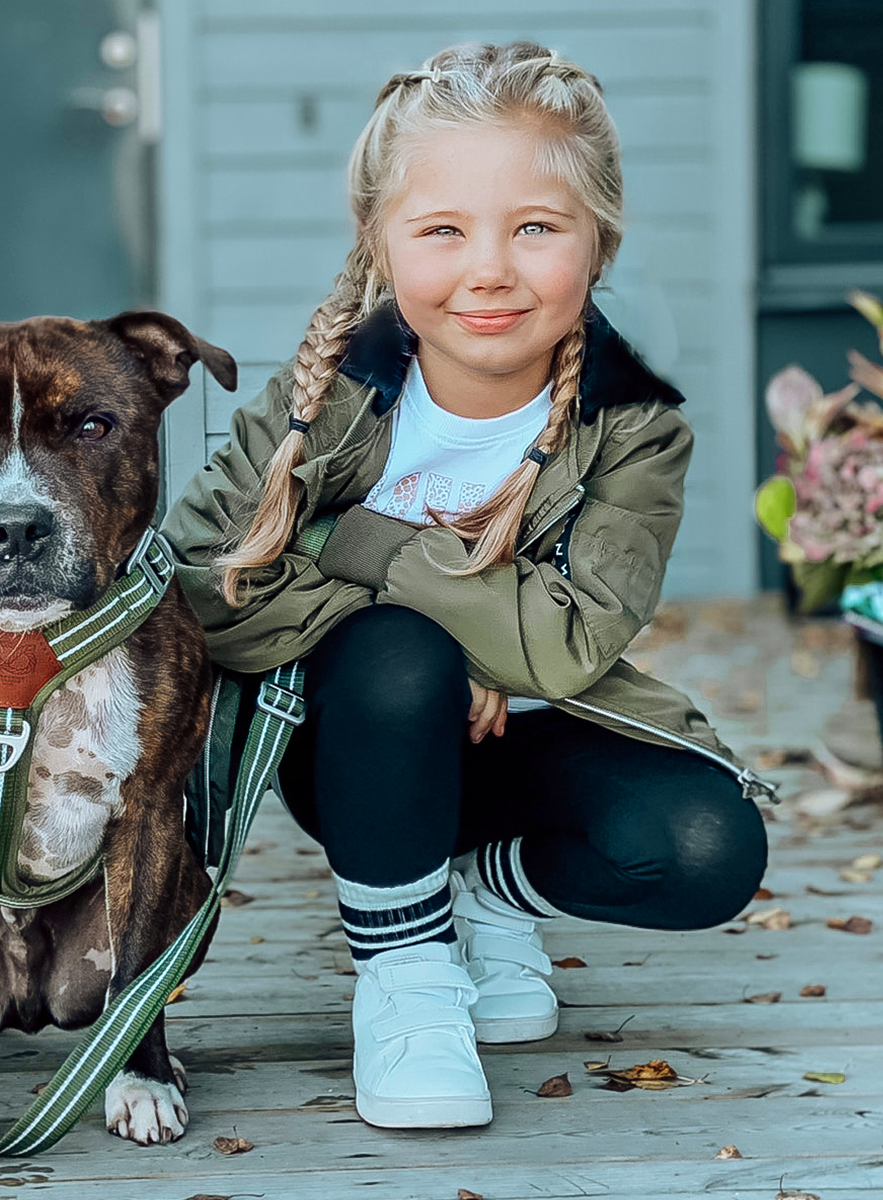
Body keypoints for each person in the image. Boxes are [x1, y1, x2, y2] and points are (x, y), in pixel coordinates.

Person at [161, 41, 772, 1131]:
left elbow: (567, 649)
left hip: (530, 747)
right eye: (442, 230)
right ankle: (407, 977)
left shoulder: (635, 431)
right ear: (382, 245)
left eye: (536, 227)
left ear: (599, 243)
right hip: (359, 752)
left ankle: (486, 888)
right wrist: (421, 639)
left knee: (707, 850)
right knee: (403, 657)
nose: (489, 269)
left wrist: (358, 541)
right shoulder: (321, 404)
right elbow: (203, 581)